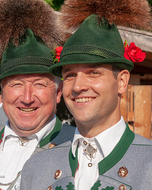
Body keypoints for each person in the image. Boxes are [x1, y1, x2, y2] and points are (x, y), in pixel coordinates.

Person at [20, 0, 152, 190]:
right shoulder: (35, 168)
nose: (78, 86)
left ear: (121, 82)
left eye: (93, 72)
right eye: (70, 75)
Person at [0, 0, 75, 189]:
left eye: (39, 84)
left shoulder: (79, 147)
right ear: (2, 92)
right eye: (16, 84)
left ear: (58, 93)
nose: (27, 98)